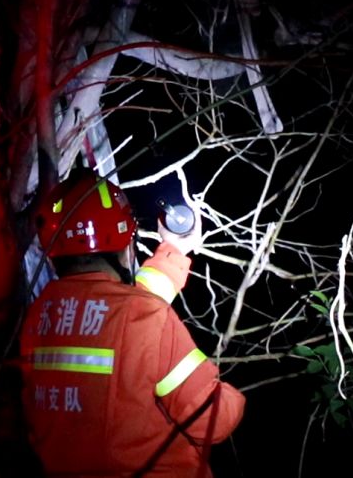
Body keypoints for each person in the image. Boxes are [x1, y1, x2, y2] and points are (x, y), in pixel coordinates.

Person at [21, 169, 245, 477]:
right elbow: (213, 420)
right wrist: (236, 399)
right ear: (127, 246)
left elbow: (120, 321)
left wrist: (174, 251)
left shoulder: (38, 318)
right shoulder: (143, 318)